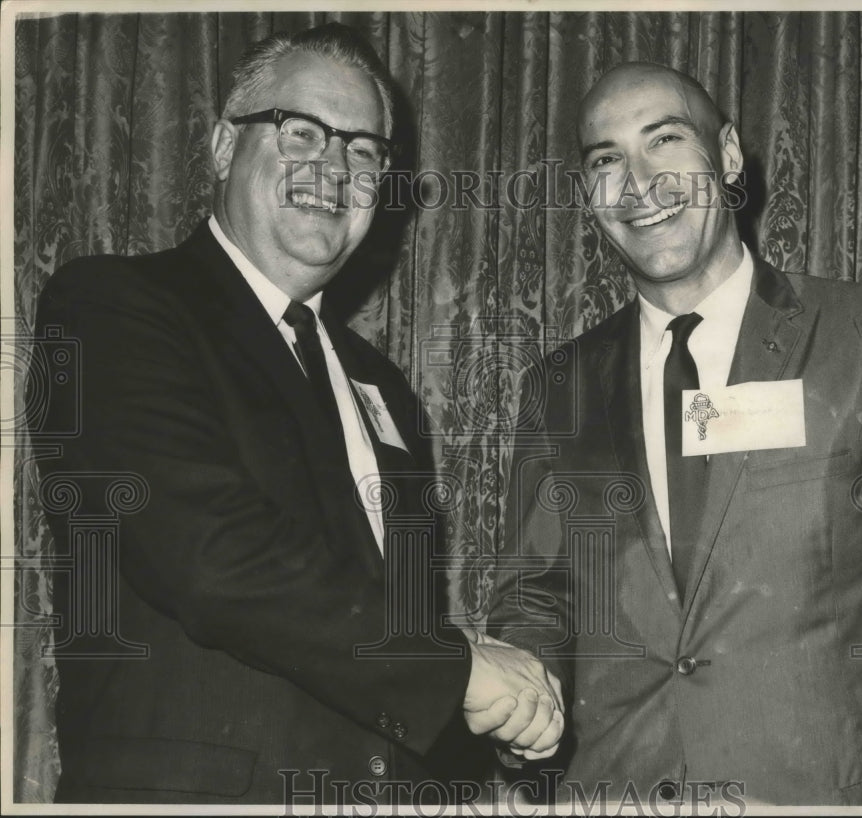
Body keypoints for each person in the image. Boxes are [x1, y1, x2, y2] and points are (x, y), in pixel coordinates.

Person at [29, 22, 562, 805]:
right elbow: (208, 553)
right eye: (301, 131)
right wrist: (460, 673)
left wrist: (489, 722)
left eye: (364, 149)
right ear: (220, 147)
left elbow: (381, 633)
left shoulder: (382, 387)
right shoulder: (112, 306)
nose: (333, 167)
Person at [487, 62, 862, 807]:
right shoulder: (558, 386)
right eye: (606, 160)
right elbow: (535, 598)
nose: (638, 181)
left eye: (665, 141)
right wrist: (529, 692)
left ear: (731, 156)